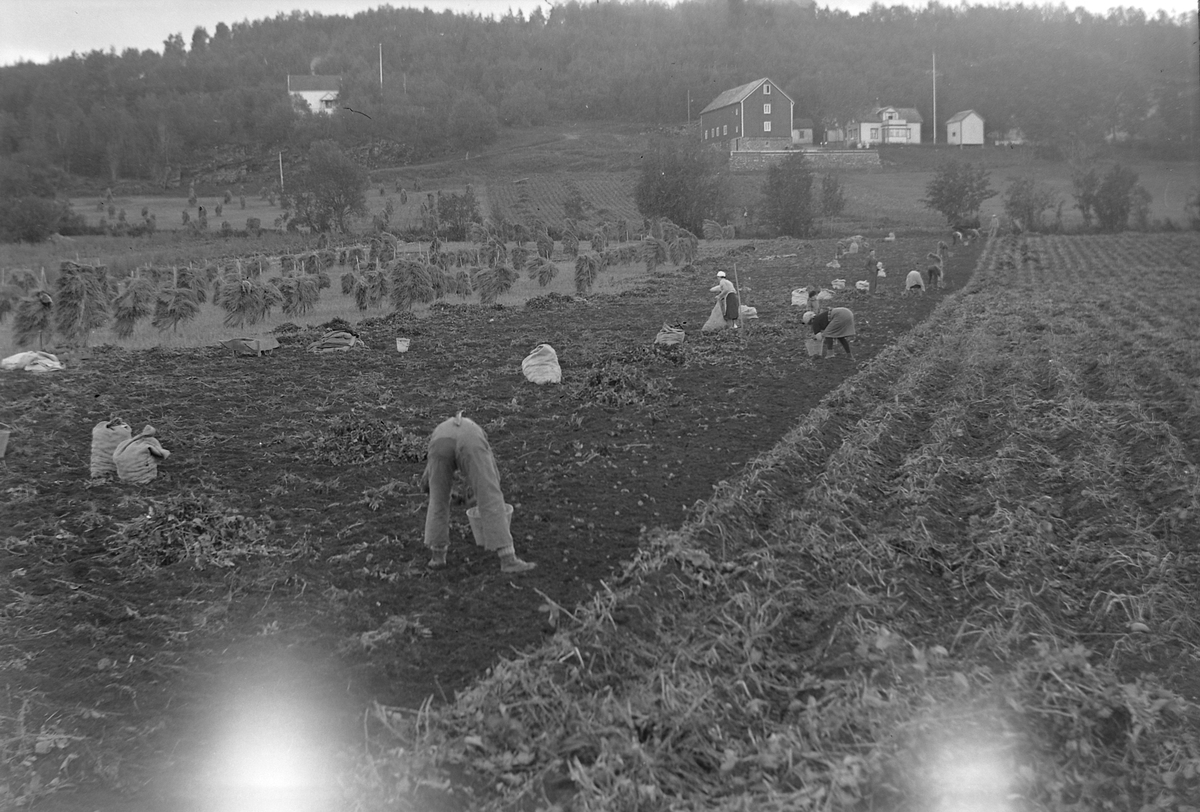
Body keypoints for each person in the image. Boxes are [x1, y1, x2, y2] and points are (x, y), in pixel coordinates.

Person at [420, 411, 536, 573]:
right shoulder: (476, 435)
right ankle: (508, 559)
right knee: (490, 496)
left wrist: (442, 493)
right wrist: (476, 495)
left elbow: (428, 482)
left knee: (438, 500)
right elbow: (492, 480)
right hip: (470, 441)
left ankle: (437, 557)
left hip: (440, 441)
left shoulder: (441, 431)